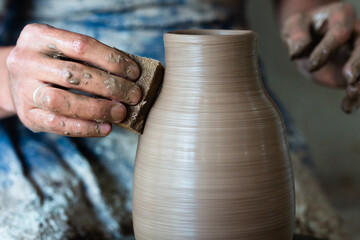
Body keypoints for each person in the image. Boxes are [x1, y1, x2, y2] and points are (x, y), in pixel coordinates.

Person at [0, 0, 358, 239]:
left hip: (235, 114)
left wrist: (312, 26)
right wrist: (10, 78)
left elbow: (303, 5)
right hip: (53, 123)